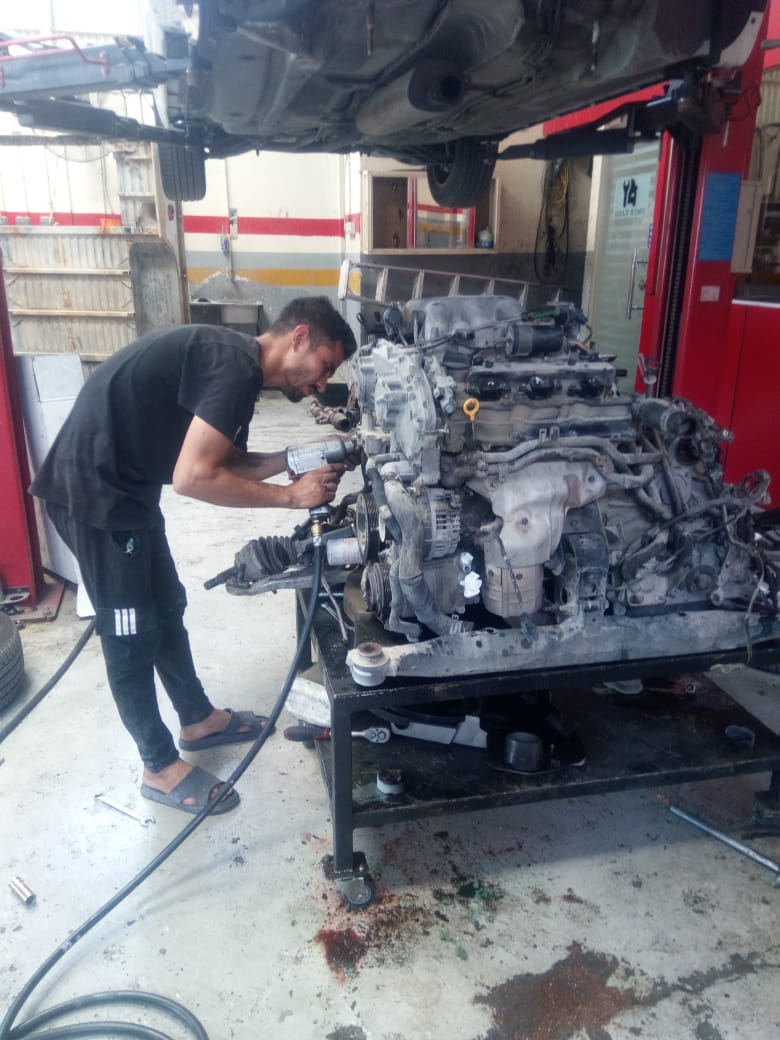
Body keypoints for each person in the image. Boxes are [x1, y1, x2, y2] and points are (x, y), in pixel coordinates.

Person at [31, 296, 357, 816]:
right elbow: (193, 478)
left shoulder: (239, 368)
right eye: (325, 366)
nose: (322, 384)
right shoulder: (234, 366)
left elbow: (227, 461)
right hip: (92, 494)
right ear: (298, 337)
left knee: (167, 605)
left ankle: (197, 720)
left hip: (129, 491)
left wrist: (296, 458)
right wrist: (291, 497)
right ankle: (158, 767)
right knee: (130, 631)